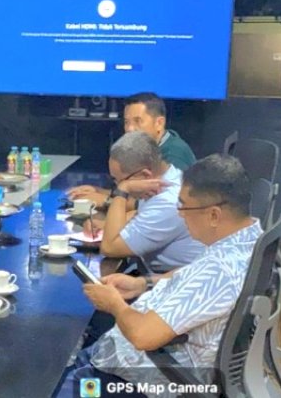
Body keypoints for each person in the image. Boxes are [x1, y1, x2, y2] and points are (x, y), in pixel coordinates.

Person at [55, 154, 262, 396]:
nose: (180, 214)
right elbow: (192, 274)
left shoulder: (220, 271)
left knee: (54, 382)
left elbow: (143, 337)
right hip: (136, 355)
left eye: (184, 206)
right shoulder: (250, 239)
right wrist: (142, 284)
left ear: (214, 215)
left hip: (141, 376)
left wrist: (115, 305)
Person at [98, 132, 204, 273]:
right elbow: (139, 215)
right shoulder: (170, 177)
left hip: (174, 285)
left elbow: (110, 248)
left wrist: (123, 190)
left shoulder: (168, 202)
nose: (117, 185)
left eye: (119, 180)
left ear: (145, 175)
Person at [68, 92, 197, 206]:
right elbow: (136, 194)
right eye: (126, 122)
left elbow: (155, 205)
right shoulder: (145, 149)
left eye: (138, 121)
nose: (130, 128)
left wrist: (105, 201)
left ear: (159, 123)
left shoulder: (174, 154)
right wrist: (97, 191)